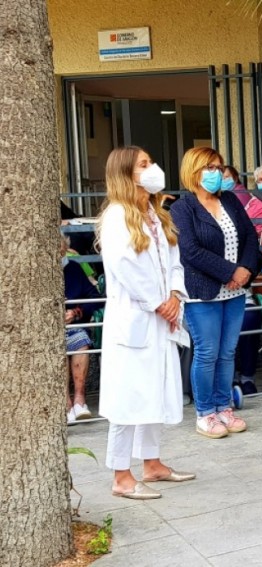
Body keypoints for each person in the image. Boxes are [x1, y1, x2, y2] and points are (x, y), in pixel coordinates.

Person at [97, 146, 195, 500]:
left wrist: (173, 293)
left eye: (151, 161)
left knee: (154, 391)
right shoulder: (116, 216)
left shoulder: (155, 214)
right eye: (144, 164)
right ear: (127, 173)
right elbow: (126, 269)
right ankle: (121, 475)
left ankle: (151, 464)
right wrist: (157, 302)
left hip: (160, 317)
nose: (153, 168)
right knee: (127, 398)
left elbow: (175, 261)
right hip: (135, 320)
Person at [170, 147, 262, 439]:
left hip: (235, 291)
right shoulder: (182, 208)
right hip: (203, 292)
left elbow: (249, 236)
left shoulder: (231, 200)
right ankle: (205, 413)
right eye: (209, 167)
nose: (217, 173)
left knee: (227, 352)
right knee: (207, 352)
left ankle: (225, 407)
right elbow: (191, 251)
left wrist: (245, 269)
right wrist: (229, 272)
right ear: (194, 171)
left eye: (219, 167)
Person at [62, 233, 103, 423]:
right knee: (55, 347)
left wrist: (75, 312)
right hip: (49, 330)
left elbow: (94, 297)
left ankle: (79, 399)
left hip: (74, 326)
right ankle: (65, 403)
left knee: (80, 342)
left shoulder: (74, 268)